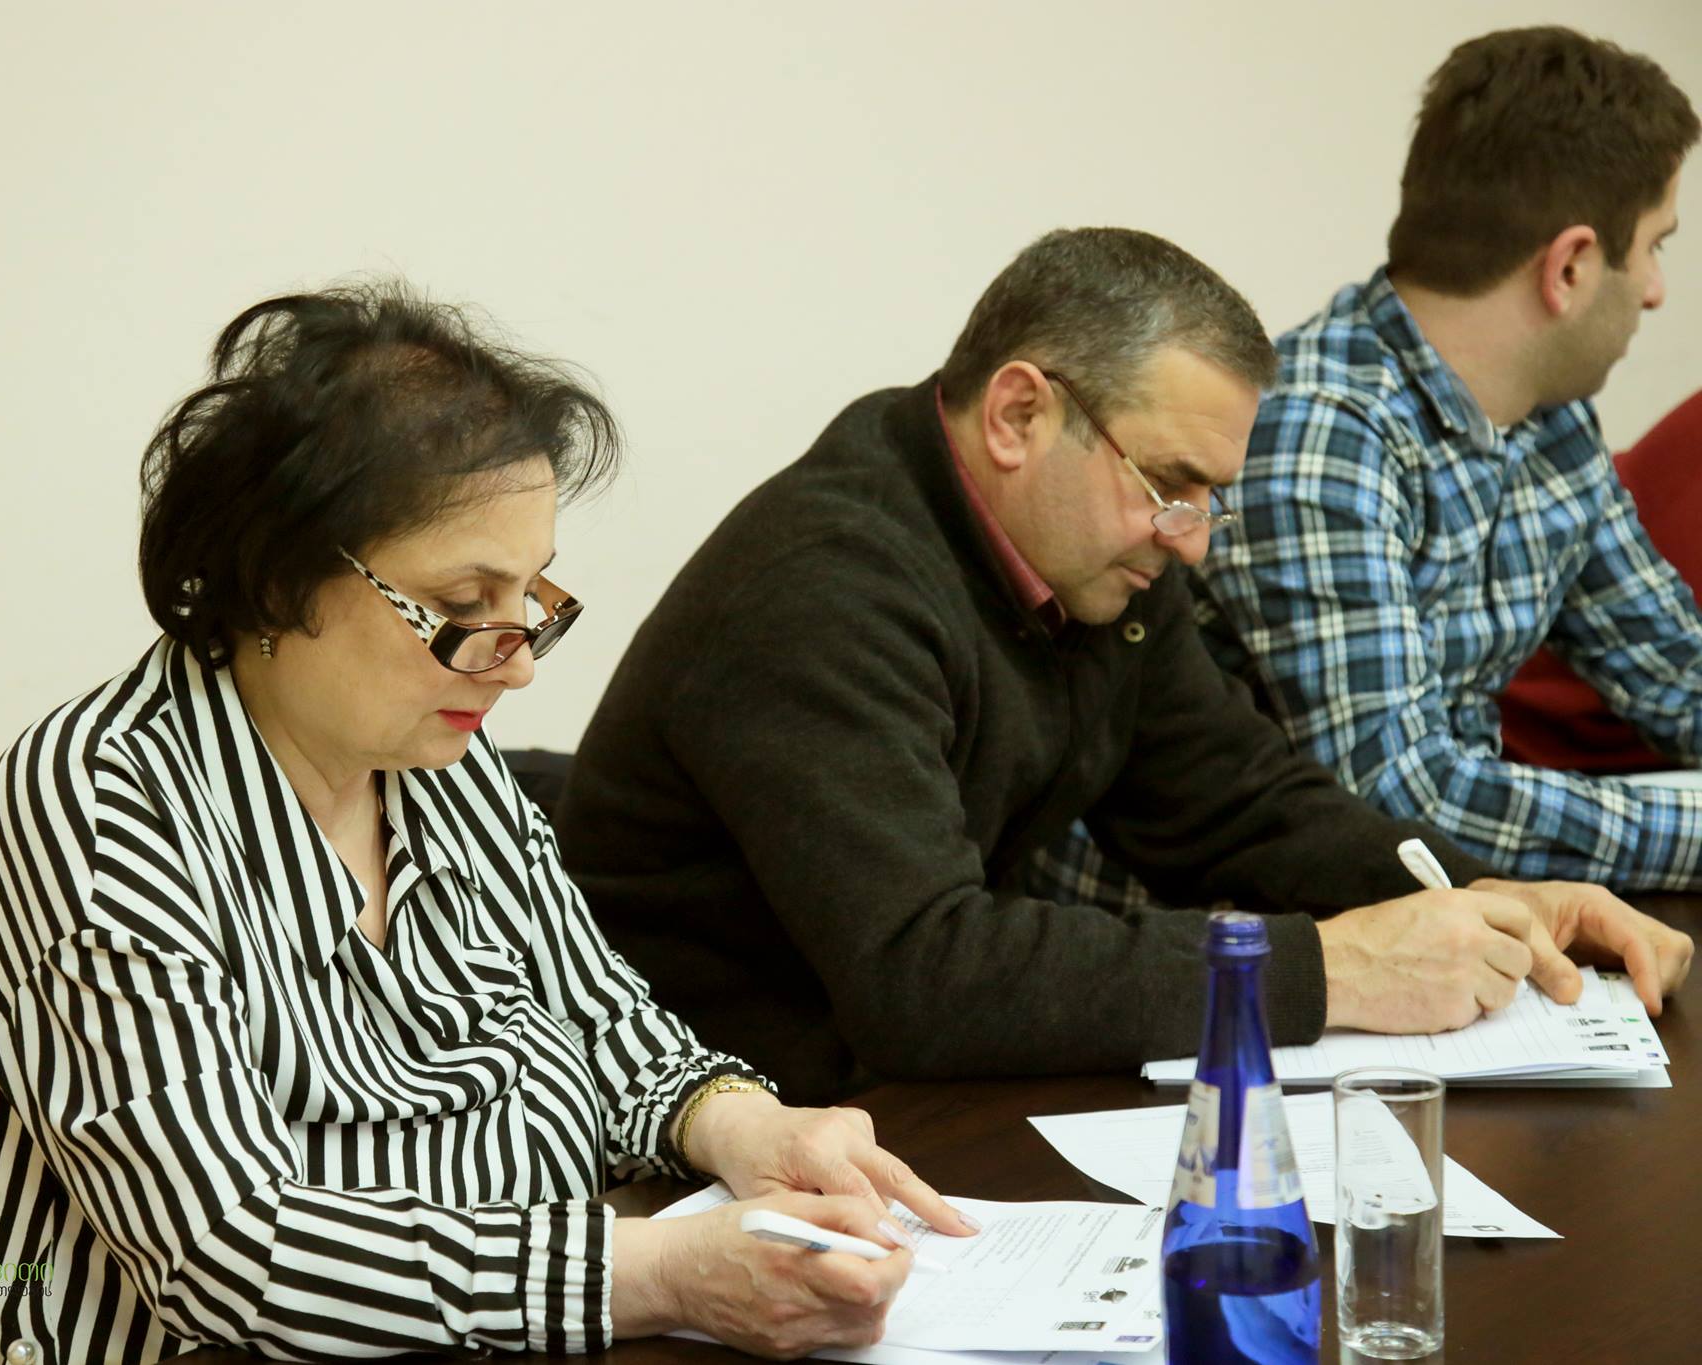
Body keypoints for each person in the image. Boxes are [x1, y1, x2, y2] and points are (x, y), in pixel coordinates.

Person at [0, 283, 974, 1365]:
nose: (512, 663)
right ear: (277, 580)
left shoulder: (434, 758)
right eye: (462, 607)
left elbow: (599, 1019)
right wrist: (652, 1269)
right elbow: (227, 1253)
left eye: (529, 599)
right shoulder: (97, 813)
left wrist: (742, 1123)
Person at [555, 228, 1692, 1105]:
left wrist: (1478, 899)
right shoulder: (822, 588)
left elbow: (1235, 800)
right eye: (1167, 483)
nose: (1190, 538)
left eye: (1207, 497)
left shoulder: (1098, 559)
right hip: (705, 1119)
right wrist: (1331, 969)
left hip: (886, 1098)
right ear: (1017, 414)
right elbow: (925, 974)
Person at [1183, 27, 1702, 889]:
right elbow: (1402, 803)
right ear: (1571, 267)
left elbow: (1673, 670)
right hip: (1233, 940)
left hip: (1415, 921)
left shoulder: (1551, 416)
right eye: (1655, 245)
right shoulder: (1323, 435)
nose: (1655, 289)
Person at [1499, 388, 1702, 775]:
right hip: (1527, 748)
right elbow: (1416, 776)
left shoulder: (1554, 413)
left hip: (1627, 761)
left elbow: (1672, 678)